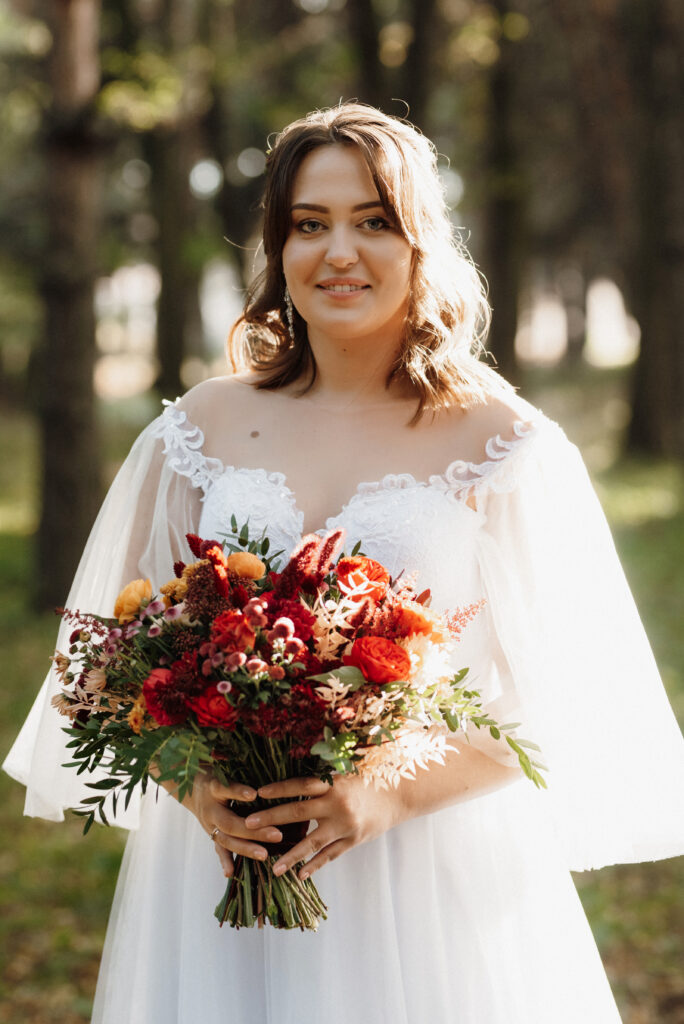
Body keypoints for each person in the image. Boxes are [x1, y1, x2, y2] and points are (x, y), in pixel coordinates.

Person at [4, 103, 684, 1024]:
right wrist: (200, 788)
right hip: (220, 878)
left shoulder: (503, 441)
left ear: (421, 244)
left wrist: (383, 800)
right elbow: (100, 668)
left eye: (373, 222)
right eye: (308, 225)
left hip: (434, 878)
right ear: (277, 249)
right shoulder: (200, 427)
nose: (338, 253)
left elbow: (563, 691)